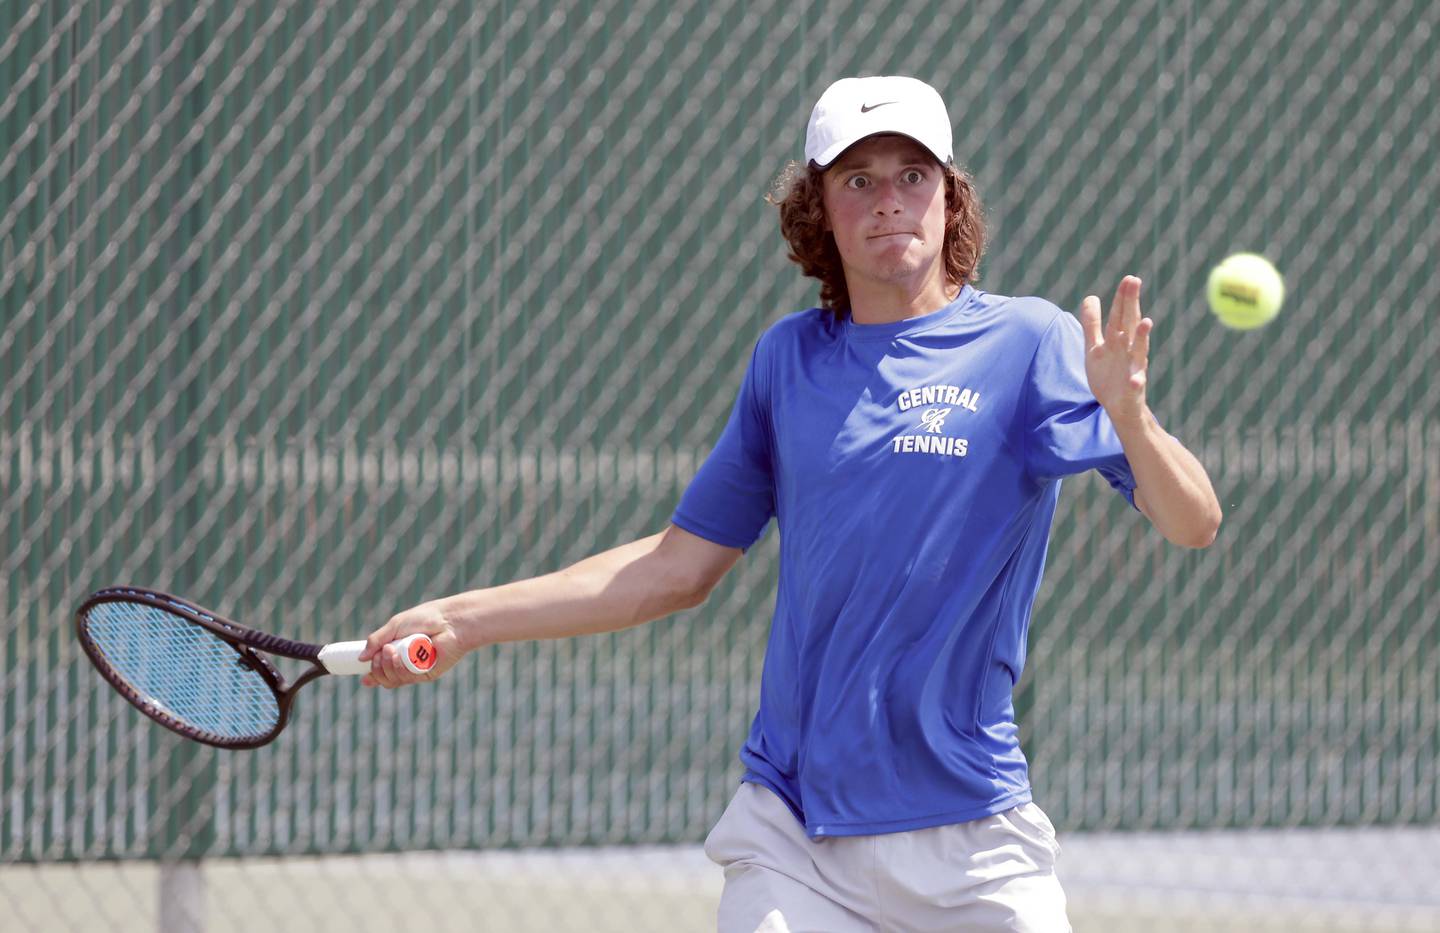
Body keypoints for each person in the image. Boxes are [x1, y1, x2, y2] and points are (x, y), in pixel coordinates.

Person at [360, 75, 1221, 933]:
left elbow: (1195, 522)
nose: (891, 202)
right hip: (796, 840)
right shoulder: (786, 362)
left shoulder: (1030, 341)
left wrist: (1132, 417)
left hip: (974, 841)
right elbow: (674, 567)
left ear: (950, 201)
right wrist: (464, 617)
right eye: (859, 180)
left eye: (914, 176)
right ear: (820, 211)